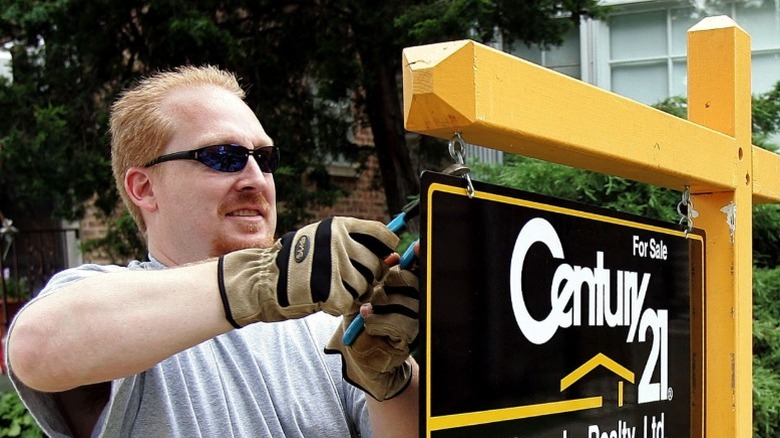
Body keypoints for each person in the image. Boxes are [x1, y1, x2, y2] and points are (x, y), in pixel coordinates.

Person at [5, 65, 419, 437]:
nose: (256, 178)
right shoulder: (109, 300)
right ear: (144, 188)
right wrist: (260, 279)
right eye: (224, 157)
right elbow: (34, 349)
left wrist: (388, 378)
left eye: (265, 157)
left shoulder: (326, 328)